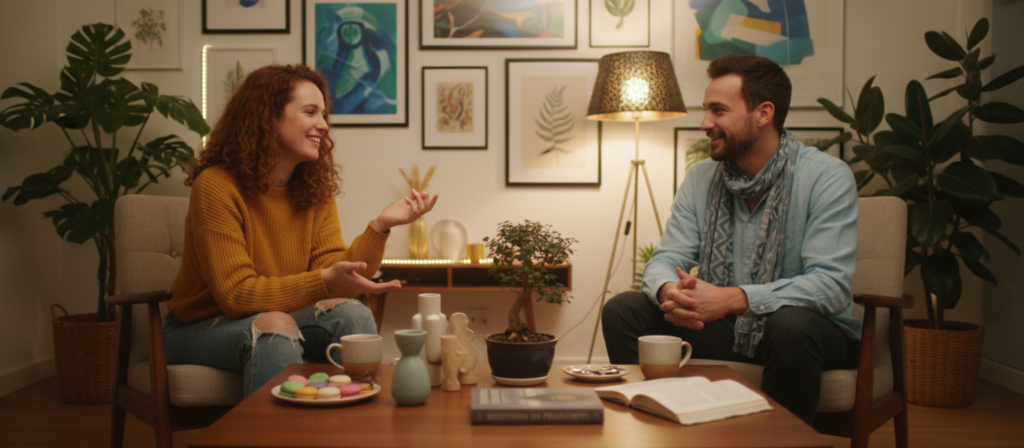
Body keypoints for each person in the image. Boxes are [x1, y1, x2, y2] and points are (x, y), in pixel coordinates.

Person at [601, 54, 861, 424]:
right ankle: (663, 426)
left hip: (811, 336)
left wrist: (732, 299)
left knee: (790, 326)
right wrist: (671, 293)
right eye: (706, 110)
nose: (705, 123)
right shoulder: (701, 178)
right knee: (623, 309)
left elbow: (831, 287)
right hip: (731, 333)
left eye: (718, 111)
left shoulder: (825, 177)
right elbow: (664, 259)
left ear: (764, 113)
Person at [164, 64, 438, 397]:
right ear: (268, 117)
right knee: (276, 328)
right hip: (199, 329)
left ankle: (352, 429)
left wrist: (380, 227)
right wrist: (323, 279)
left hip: (282, 315)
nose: (323, 125)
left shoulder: (313, 189)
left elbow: (339, 282)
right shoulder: (217, 187)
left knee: (353, 314)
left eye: (324, 114)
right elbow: (236, 296)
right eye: (311, 112)